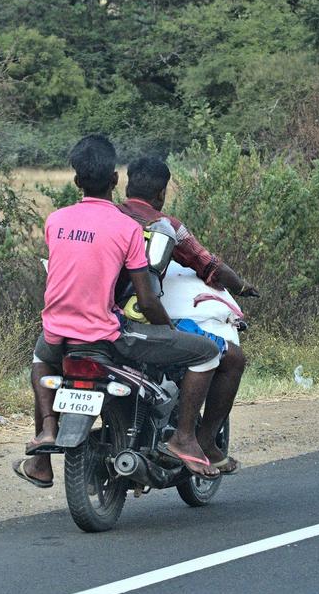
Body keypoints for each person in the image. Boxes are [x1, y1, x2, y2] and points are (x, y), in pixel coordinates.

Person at [13, 135, 223, 490]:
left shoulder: (55, 220)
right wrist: (168, 330)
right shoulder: (127, 228)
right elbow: (146, 299)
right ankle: (185, 437)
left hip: (57, 336)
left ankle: (44, 446)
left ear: (76, 181)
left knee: (39, 359)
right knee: (207, 353)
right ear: (114, 180)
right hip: (105, 335)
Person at [117, 155, 257, 473]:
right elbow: (210, 265)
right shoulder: (167, 228)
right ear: (162, 194)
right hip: (142, 321)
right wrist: (243, 285)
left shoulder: (108, 218)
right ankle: (198, 438)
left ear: (125, 185)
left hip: (97, 322)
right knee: (230, 357)